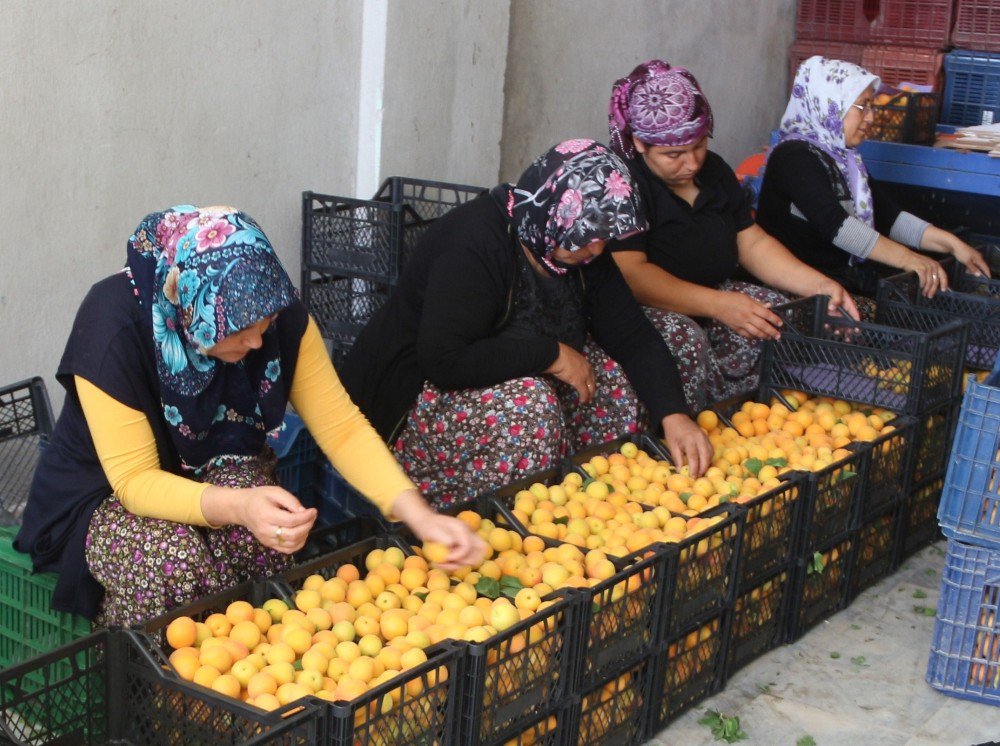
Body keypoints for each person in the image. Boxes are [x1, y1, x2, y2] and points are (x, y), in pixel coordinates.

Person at [15, 206, 486, 626]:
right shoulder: (112, 327)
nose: (259, 345)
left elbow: (341, 428)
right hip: (106, 494)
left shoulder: (274, 312)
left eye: (264, 329)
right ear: (192, 315)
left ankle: (247, 685)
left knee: (267, 542)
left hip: (212, 467)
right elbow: (136, 482)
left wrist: (419, 516)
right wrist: (240, 506)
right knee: (173, 562)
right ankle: (139, 688)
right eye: (242, 334)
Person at [339, 140, 713, 507]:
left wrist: (673, 414)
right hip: (419, 401)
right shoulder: (474, 246)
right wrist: (551, 355)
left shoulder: (577, 245)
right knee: (529, 407)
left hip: (516, 370)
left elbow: (631, 334)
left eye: (603, 238)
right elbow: (444, 358)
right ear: (554, 211)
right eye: (587, 237)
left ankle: (588, 501)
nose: (597, 249)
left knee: (656, 350)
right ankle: (498, 523)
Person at [606, 60, 859, 410]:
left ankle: (744, 416)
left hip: (714, 292)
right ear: (639, 142)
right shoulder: (622, 184)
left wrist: (821, 286)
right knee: (685, 339)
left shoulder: (715, 172)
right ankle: (678, 430)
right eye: (673, 154)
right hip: (649, 309)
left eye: (698, 145)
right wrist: (718, 305)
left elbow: (752, 242)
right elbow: (632, 275)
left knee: (773, 314)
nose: (692, 162)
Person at [757, 56, 990, 317]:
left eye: (872, 105)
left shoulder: (844, 159)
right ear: (832, 104)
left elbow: (889, 218)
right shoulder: (794, 157)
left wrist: (953, 245)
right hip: (800, 291)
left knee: (924, 297)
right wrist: (908, 259)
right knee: (899, 316)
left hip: (839, 279)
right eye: (862, 106)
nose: (871, 117)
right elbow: (836, 226)